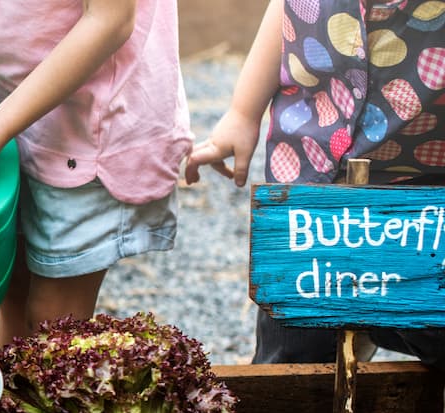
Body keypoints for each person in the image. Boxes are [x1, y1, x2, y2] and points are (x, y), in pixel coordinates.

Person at [185, 0, 445, 369]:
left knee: (430, 327)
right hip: (311, 173)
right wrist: (242, 113)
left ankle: (376, 327)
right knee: (292, 350)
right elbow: (286, 8)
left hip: (419, 178)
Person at [0, 0, 191, 347]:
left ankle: (39, 399)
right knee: (10, 288)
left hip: (88, 131)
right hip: (10, 110)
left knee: (53, 325)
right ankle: (10, 398)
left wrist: (0, 126)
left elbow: (111, 20)